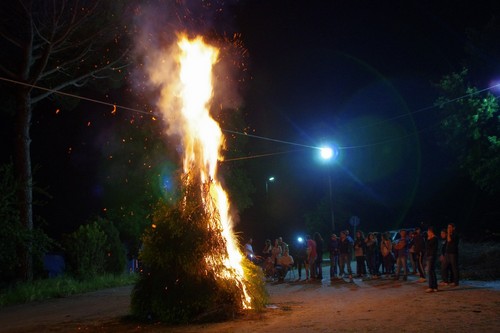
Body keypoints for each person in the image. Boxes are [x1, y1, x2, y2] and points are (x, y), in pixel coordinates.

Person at [425, 226, 438, 292]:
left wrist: (428, 239)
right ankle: (434, 287)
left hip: (431, 256)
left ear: (431, 232)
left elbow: (428, 246)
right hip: (429, 255)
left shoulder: (434, 239)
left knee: (430, 271)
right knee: (432, 271)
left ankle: (431, 286)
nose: (427, 233)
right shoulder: (431, 238)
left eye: (428, 231)